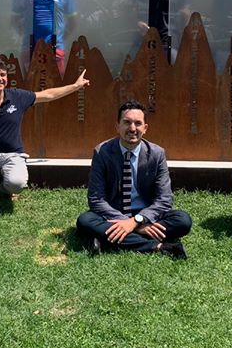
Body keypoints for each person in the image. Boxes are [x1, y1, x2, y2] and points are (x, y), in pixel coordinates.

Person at [0, 57, 89, 214]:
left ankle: (3, 189)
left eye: (3, 74)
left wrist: (76, 86)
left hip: (14, 154)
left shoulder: (17, 97)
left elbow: (48, 94)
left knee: (17, 184)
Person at [76, 100, 191, 258]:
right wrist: (132, 224)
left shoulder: (157, 154)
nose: (132, 128)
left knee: (183, 220)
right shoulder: (102, 152)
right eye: (127, 122)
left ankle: (106, 240)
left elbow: (164, 199)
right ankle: (159, 246)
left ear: (145, 128)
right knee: (85, 221)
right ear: (117, 126)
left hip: (145, 213)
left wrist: (136, 221)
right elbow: (96, 199)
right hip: (113, 213)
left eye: (138, 123)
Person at [12, 0, 76, 74]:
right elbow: (14, 19)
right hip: (29, 49)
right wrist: (25, 34)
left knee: (57, 88)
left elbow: (72, 21)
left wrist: (61, 37)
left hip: (56, 50)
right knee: (30, 88)